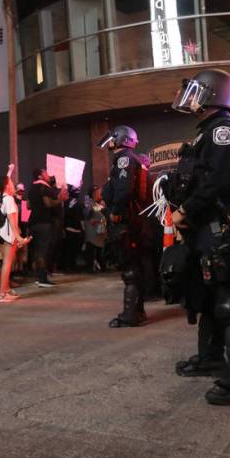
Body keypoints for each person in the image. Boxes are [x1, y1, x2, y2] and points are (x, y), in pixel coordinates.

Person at [161, 68, 230, 405]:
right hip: (206, 226)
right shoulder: (210, 131)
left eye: (197, 92)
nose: (191, 98)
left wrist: (185, 211)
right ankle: (213, 358)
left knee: (229, 301)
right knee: (208, 298)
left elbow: (216, 182)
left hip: (220, 225)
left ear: (213, 94)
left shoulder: (224, 131)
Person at [100, 125, 150, 327]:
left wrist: (116, 212)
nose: (109, 141)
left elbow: (123, 190)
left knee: (129, 268)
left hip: (125, 219)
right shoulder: (132, 159)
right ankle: (137, 311)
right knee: (135, 266)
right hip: (135, 218)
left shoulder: (124, 159)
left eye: (112, 138)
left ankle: (130, 314)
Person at [0, 174, 28, 302]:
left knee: (6, 263)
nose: (13, 185)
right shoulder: (9, 199)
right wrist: (18, 237)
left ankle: (6, 289)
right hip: (8, 235)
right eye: (11, 183)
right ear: (7, 185)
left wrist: (9, 171)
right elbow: (12, 220)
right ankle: (2, 293)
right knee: (8, 264)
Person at [26, 168, 63, 288]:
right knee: (43, 251)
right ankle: (42, 279)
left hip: (33, 223)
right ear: (40, 176)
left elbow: (28, 205)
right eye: (45, 173)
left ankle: (39, 277)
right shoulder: (45, 188)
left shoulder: (32, 188)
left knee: (37, 251)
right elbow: (48, 203)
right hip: (44, 223)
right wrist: (60, 199)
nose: (48, 175)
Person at [82, 185, 108, 273]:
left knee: (100, 249)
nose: (100, 193)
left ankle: (102, 266)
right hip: (92, 230)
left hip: (99, 229)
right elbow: (86, 213)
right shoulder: (88, 201)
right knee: (92, 249)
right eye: (98, 191)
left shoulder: (99, 202)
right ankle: (91, 267)